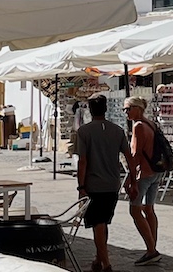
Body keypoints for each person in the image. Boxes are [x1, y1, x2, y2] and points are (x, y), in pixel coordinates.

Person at [76, 95, 130, 272]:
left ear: (90, 110)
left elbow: (82, 161)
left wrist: (81, 186)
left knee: (98, 222)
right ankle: (98, 260)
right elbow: (129, 157)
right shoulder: (117, 130)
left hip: (93, 184)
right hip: (113, 183)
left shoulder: (84, 132)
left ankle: (106, 263)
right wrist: (133, 180)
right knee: (103, 222)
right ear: (106, 108)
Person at [123, 96, 163, 266]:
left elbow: (135, 155)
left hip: (144, 173)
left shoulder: (138, 126)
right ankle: (151, 247)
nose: (125, 112)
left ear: (137, 108)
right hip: (156, 171)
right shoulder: (151, 123)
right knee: (149, 208)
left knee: (135, 210)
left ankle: (151, 250)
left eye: (128, 108)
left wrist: (129, 179)